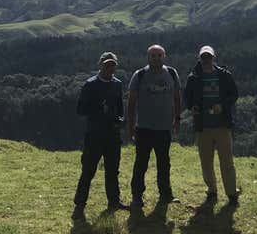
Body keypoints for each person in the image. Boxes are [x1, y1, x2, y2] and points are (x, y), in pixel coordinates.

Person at [72, 51, 127, 220]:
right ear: (100, 65)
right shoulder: (90, 85)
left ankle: (114, 201)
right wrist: (97, 109)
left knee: (112, 170)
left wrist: (121, 120)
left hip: (112, 135)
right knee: (88, 170)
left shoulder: (117, 84)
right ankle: (79, 205)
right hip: (94, 135)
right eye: (106, 64)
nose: (110, 67)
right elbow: (80, 110)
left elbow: (120, 107)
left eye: (112, 65)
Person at [184, 45, 241, 205]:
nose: (206, 60)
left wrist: (222, 106)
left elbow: (234, 95)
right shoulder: (193, 78)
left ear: (214, 58)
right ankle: (212, 190)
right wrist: (192, 107)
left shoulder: (224, 75)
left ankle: (231, 192)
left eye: (209, 57)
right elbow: (187, 97)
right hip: (203, 126)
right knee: (206, 161)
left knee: (227, 161)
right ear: (200, 59)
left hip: (222, 125)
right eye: (204, 58)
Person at [127, 44, 181, 207]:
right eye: (153, 55)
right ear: (148, 57)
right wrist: (131, 126)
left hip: (164, 128)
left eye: (159, 55)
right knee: (141, 163)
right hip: (144, 128)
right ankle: (137, 196)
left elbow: (177, 98)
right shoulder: (140, 75)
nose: (156, 58)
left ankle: (166, 194)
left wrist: (177, 119)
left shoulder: (171, 73)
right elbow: (131, 103)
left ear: (164, 57)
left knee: (164, 163)